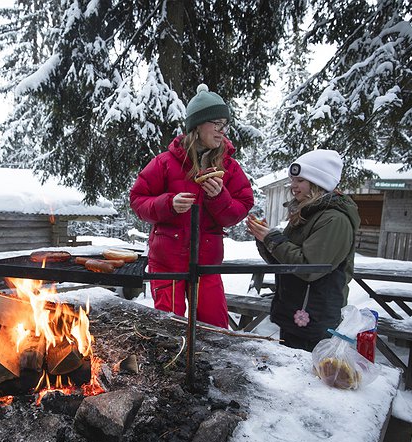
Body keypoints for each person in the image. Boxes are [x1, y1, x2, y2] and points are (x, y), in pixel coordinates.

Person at [130, 84, 254, 328]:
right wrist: (168, 204)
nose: (222, 131)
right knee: (169, 330)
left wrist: (220, 198)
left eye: (224, 124)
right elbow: (137, 199)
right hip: (167, 264)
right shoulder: (165, 163)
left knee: (214, 330)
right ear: (197, 125)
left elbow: (241, 207)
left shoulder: (229, 166)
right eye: (216, 123)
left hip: (207, 263)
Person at [246, 149, 360, 351]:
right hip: (295, 313)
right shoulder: (307, 214)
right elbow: (285, 264)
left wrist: (271, 238)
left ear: (317, 182)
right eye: (293, 180)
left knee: (308, 379)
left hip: (315, 319)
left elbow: (309, 268)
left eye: (299, 180)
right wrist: (264, 240)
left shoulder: (334, 219)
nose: (293, 186)